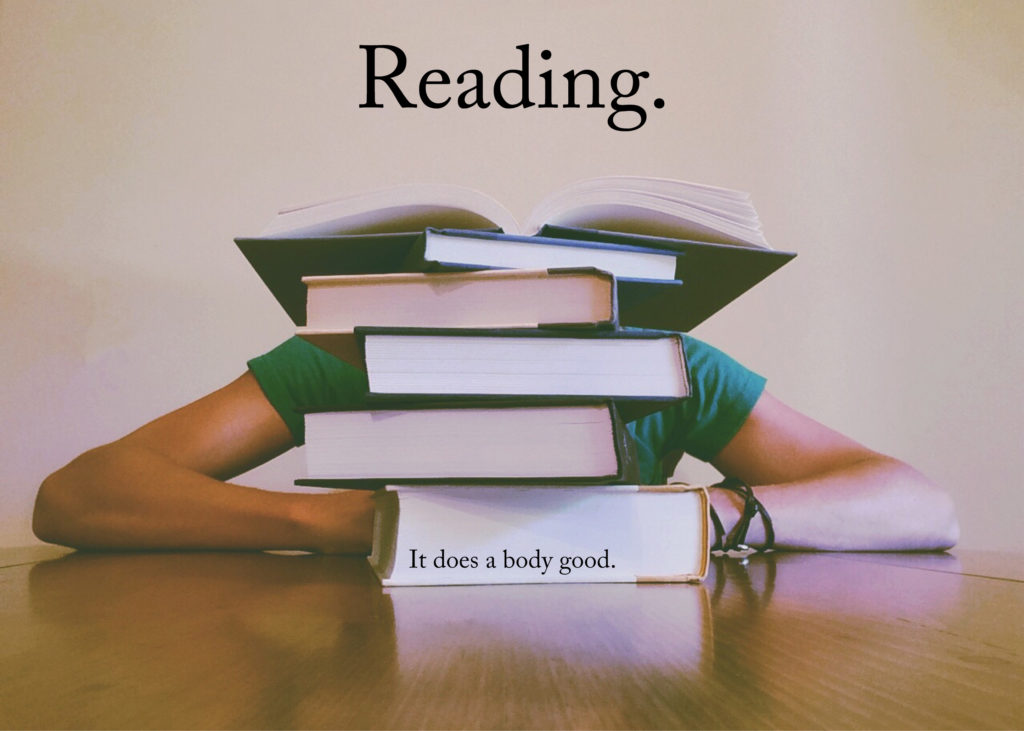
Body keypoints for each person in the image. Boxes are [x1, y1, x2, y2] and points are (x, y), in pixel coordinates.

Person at [32, 334, 959, 554]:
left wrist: (711, 514)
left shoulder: (664, 367)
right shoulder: (352, 354)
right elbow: (76, 495)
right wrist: (349, 522)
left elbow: (920, 502)